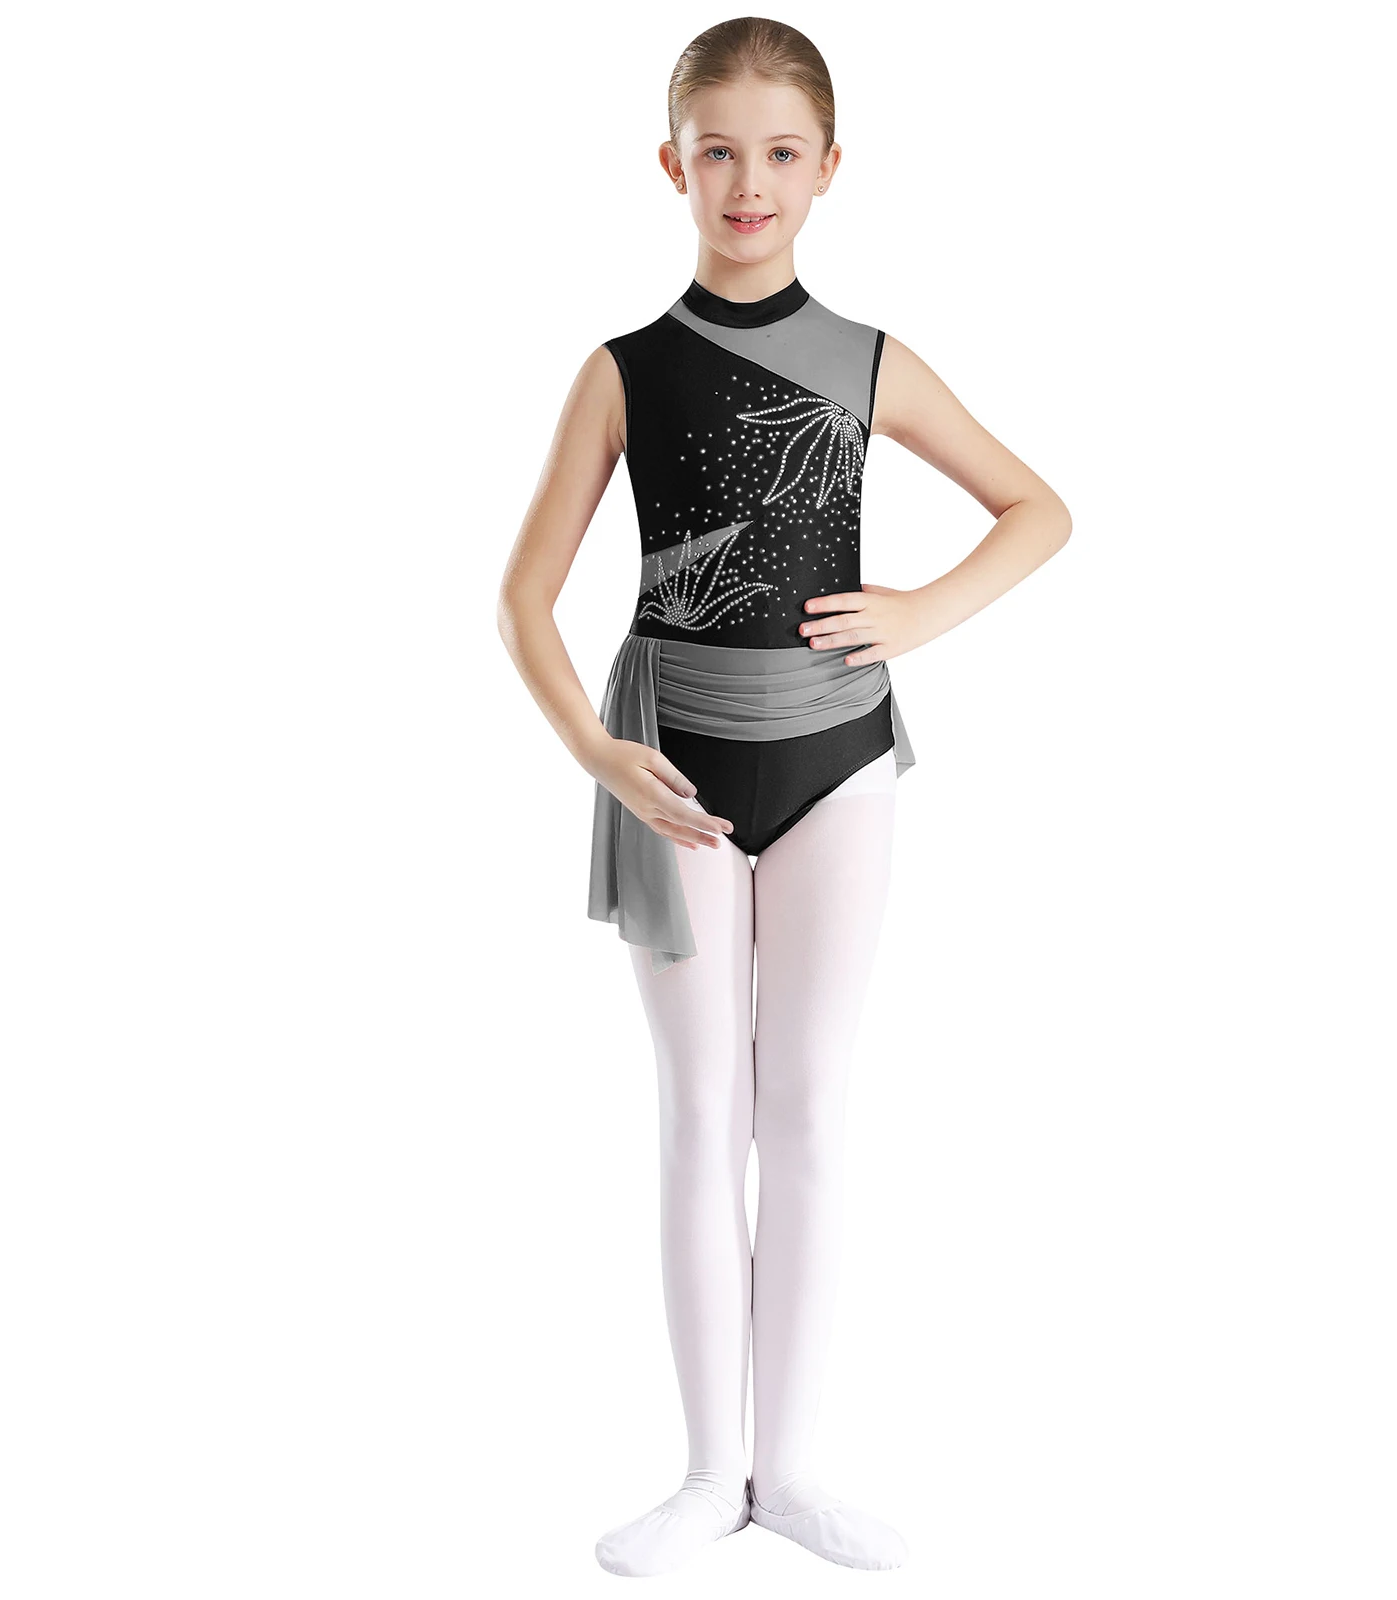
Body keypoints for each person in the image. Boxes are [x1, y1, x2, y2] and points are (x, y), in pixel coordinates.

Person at [499, 17, 1072, 1578]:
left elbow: (1038, 508)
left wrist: (923, 611)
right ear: (670, 164)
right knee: (701, 1109)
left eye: (780, 152)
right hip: (671, 768)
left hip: (838, 766)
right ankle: (707, 1472)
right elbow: (524, 595)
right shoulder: (622, 373)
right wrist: (593, 751)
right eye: (719, 151)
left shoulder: (871, 361)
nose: (747, 181)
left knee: (808, 1103)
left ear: (828, 169)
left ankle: (796, 1470)